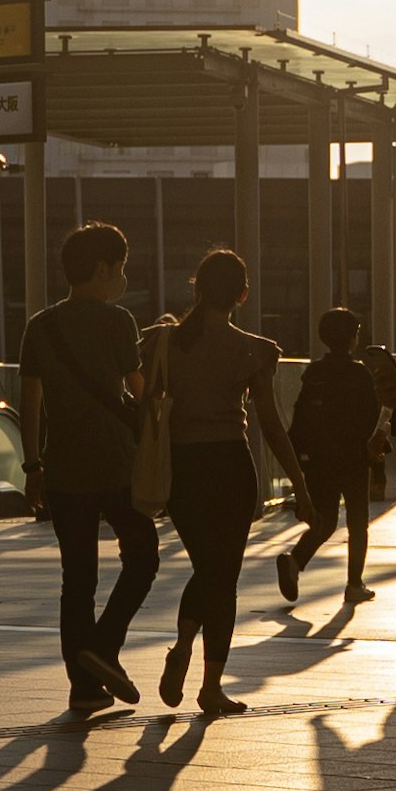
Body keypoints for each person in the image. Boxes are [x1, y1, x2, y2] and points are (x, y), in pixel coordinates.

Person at [19, 218, 160, 707]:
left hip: (62, 469)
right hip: (119, 465)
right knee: (142, 557)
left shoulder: (40, 326)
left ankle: (83, 687)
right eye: (120, 268)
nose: (122, 278)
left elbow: (29, 401)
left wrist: (32, 465)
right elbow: (141, 394)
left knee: (77, 578)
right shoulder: (119, 322)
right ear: (103, 269)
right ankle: (103, 646)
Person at [150, 248, 290, 712]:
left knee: (207, 568)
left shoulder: (164, 342)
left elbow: (142, 401)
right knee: (221, 576)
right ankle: (209, 684)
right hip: (231, 467)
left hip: (184, 468)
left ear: (196, 288)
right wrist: (301, 485)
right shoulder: (254, 349)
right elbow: (270, 424)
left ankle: (184, 648)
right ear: (242, 295)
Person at [274, 301, 396, 622]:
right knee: (358, 523)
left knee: (326, 518)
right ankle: (354, 582)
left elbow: (302, 416)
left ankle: (296, 560)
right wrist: (377, 469)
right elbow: (370, 423)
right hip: (353, 459)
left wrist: (300, 458)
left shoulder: (315, 372)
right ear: (352, 338)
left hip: (319, 459)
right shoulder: (360, 374)